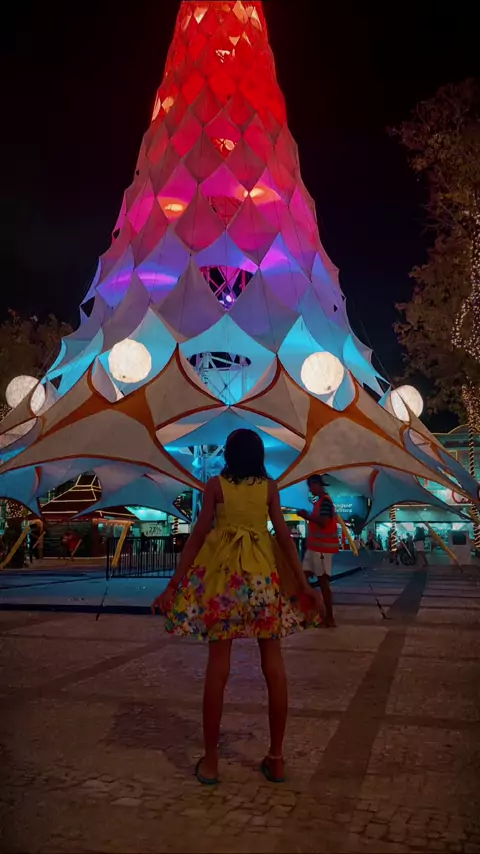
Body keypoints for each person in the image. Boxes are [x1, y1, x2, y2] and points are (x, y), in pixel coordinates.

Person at [152, 430, 323, 786]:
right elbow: (284, 538)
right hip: (262, 580)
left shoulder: (215, 487)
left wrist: (173, 585)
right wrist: (303, 584)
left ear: (228, 455)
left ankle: (212, 762)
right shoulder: (269, 488)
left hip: (224, 582)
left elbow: (198, 536)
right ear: (259, 456)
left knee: (218, 668)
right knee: (274, 667)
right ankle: (276, 758)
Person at [296, 474, 339, 628]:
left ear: (316, 484)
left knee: (323, 582)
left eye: (311, 487)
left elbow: (323, 522)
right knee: (302, 579)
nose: (311, 491)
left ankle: (329, 617)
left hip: (322, 549)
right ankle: (308, 612)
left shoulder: (325, 502)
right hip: (315, 548)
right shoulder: (320, 502)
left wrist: (307, 516)